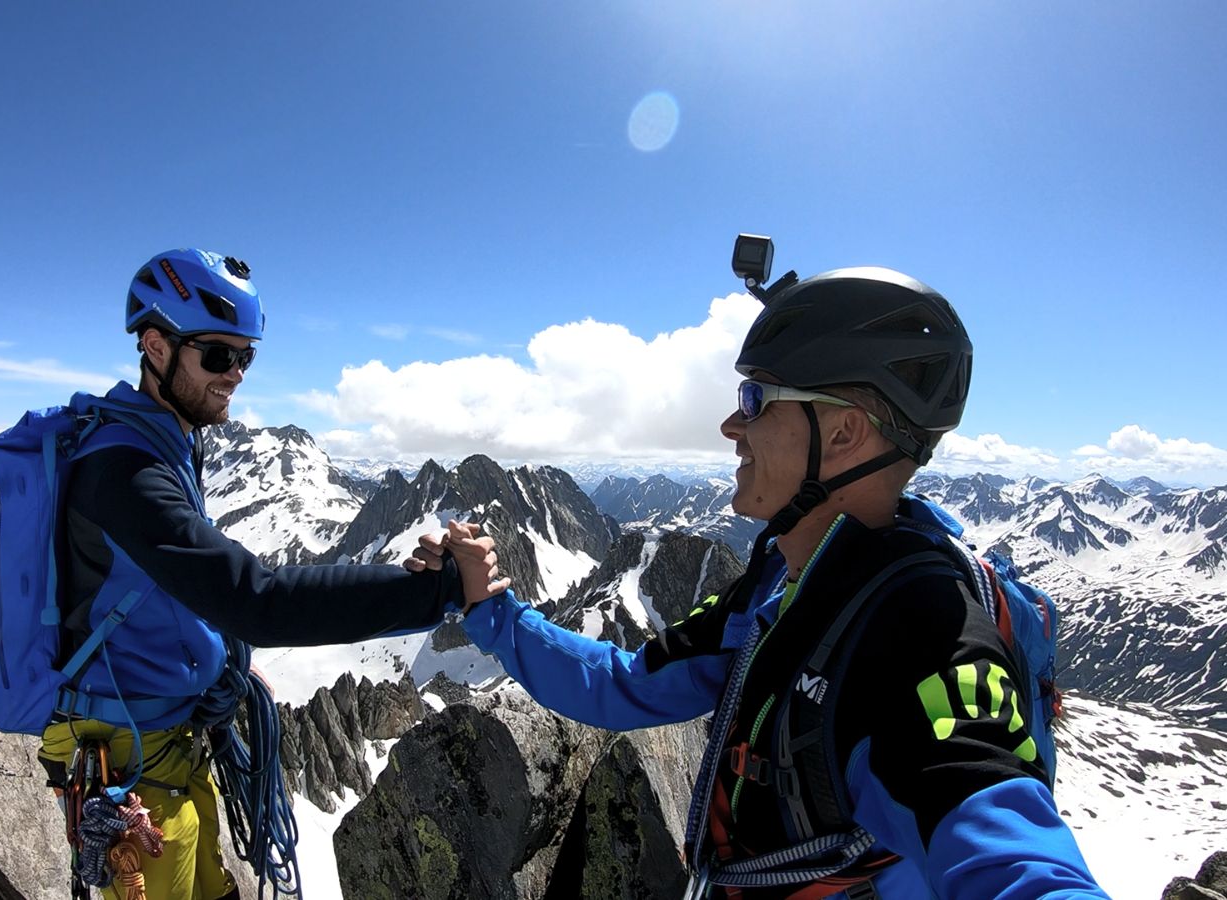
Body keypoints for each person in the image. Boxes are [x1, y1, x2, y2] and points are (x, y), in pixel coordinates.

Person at [409, 265, 1109, 898]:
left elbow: (1009, 848)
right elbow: (624, 685)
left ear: (844, 434)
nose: (729, 425)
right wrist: (489, 607)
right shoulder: (783, 583)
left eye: (756, 397)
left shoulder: (922, 628)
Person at [41, 248, 491, 900]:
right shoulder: (124, 473)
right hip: (126, 771)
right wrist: (441, 591)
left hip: (164, 744)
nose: (235, 374)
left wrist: (216, 662)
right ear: (155, 347)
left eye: (245, 357)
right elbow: (256, 601)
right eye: (217, 355)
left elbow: (166, 590)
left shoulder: (163, 441)